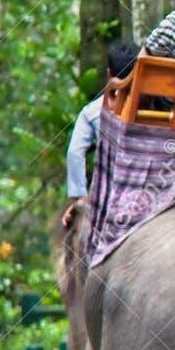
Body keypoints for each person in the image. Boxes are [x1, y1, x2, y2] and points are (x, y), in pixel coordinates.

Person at [62, 41, 140, 226]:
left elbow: (74, 153)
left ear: (109, 74)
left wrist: (80, 197)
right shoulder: (157, 107)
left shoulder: (92, 112)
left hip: (113, 193)